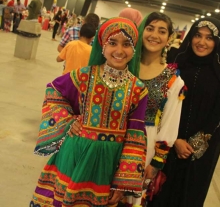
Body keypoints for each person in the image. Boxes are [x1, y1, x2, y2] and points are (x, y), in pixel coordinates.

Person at [30, 17, 148, 207]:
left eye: (126, 44)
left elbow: (135, 135)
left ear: (134, 49)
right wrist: (68, 121)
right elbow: (54, 90)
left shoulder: (138, 90)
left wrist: (122, 183)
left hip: (109, 165)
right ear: (102, 45)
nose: (119, 50)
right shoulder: (84, 75)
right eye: (112, 43)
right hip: (75, 155)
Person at [73, 12, 185, 207]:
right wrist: (71, 120)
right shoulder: (121, 61)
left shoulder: (174, 80)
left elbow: (169, 123)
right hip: (103, 141)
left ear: (169, 38)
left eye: (162, 31)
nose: (154, 35)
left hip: (143, 146)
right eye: (150, 28)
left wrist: (156, 162)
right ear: (140, 32)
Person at [148, 17, 220, 207]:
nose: (202, 42)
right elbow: (161, 105)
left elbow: (217, 118)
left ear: (217, 43)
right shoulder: (175, 65)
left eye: (209, 38)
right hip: (165, 145)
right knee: (157, 194)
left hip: (195, 154)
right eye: (197, 35)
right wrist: (175, 140)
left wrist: (190, 145)